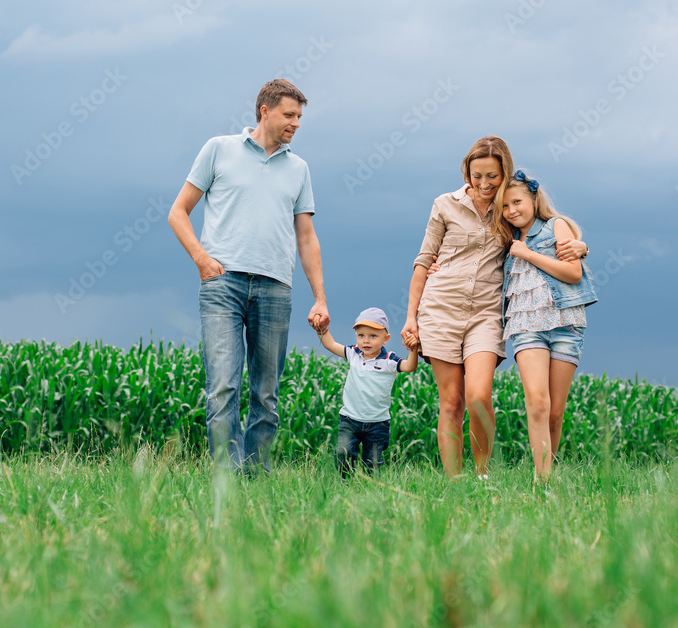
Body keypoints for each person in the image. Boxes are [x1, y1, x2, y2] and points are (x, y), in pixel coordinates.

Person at [401, 136, 588, 479]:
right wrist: (411, 318)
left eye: (492, 176)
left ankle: (482, 475)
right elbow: (423, 260)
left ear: (505, 174)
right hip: (440, 308)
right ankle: (455, 482)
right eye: (477, 176)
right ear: (466, 173)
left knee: (477, 395)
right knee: (451, 401)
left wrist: (580, 245)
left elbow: (546, 229)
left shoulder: (508, 211)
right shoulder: (444, 204)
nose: (484, 184)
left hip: (487, 313)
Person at [167, 79, 329, 474]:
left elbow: (306, 238)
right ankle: (227, 476)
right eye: (290, 115)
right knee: (223, 386)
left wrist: (320, 297)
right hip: (223, 285)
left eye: (299, 117)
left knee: (267, 393)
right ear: (265, 111)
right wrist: (202, 260)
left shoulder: (299, 168)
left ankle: (255, 475)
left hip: (275, 287)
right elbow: (178, 212)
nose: (296, 123)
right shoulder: (218, 149)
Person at [497, 169, 598, 481]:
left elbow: (573, 274)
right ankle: (543, 481)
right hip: (526, 325)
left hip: (566, 324)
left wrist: (528, 254)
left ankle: (549, 474)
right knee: (538, 403)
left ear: (533, 198)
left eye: (517, 201)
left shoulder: (557, 226)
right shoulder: (505, 239)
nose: (512, 210)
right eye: (504, 206)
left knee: (555, 410)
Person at [314, 307, 419, 477]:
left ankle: (370, 491)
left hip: (378, 423)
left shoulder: (389, 361)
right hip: (350, 419)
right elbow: (331, 344)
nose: (366, 341)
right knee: (342, 453)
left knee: (373, 464)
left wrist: (413, 349)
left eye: (373, 336)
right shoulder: (354, 354)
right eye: (361, 335)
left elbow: (410, 366)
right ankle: (346, 483)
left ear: (386, 339)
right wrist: (321, 329)